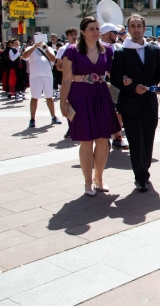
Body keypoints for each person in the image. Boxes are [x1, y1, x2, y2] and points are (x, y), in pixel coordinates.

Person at [60, 17, 121, 196]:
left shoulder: (108, 50)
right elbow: (66, 78)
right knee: (86, 140)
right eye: (91, 29)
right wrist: (63, 102)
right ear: (83, 32)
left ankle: (99, 178)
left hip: (101, 94)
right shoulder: (72, 51)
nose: (95, 32)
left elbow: (113, 73)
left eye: (97, 28)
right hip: (80, 95)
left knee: (103, 139)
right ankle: (88, 181)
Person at [111, 14, 160, 193]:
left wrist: (159, 84)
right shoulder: (121, 52)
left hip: (150, 102)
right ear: (128, 29)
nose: (136, 29)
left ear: (144, 28)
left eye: (138, 26)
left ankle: (145, 170)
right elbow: (116, 79)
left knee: (148, 139)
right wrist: (133, 87)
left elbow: (159, 73)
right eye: (132, 26)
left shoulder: (153, 50)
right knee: (135, 141)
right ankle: (140, 177)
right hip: (130, 103)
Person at [22, 34, 61, 128]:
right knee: (34, 97)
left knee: (49, 97)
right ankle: (32, 119)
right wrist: (34, 47)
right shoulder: (30, 48)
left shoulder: (48, 48)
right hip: (35, 76)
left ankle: (53, 116)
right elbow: (24, 56)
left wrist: (46, 49)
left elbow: (53, 59)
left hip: (47, 75)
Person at [99, 23, 128, 149]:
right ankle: (104, 137)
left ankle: (117, 137)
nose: (118, 35)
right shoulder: (97, 46)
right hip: (102, 83)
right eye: (115, 33)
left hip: (115, 83)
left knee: (118, 110)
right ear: (107, 33)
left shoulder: (117, 46)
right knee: (103, 112)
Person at [56, 27, 79, 139]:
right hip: (68, 79)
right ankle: (71, 126)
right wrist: (70, 69)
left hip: (79, 81)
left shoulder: (81, 47)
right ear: (67, 36)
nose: (74, 36)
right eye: (71, 34)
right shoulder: (63, 49)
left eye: (75, 34)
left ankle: (76, 126)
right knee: (69, 105)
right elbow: (58, 66)